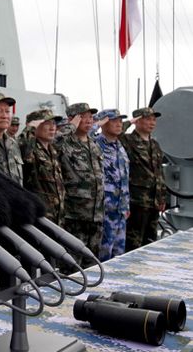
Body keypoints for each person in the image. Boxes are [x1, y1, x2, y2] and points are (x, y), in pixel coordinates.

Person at [54, 103, 104, 266]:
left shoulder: (94, 144)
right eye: (83, 117)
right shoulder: (64, 143)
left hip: (96, 214)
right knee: (72, 265)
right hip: (74, 215)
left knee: (92, 263)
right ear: (72, 119)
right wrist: (70, 127)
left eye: (90, 117)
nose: (89, 120)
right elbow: (52, 144)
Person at [119, 107, 166, 252]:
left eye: (154, 119)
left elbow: (159, 173)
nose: (152, 123)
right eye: (147, 119)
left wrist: (162, 197)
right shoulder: (128, 140)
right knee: (133, 243)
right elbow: (116, 133)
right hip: (136, 201)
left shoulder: (155, 145)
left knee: (151, 242)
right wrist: (130, 122)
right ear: (138, 121)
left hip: (153, 202)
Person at [93, 109, 130, 261]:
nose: (119, 124)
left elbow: (124, 177)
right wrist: (96, 125)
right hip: (105, 208)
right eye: (114, 121)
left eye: (120, 121)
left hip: (120, 209)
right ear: (103, 123)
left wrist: (126, 205)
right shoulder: (95, 143)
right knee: (103, 253)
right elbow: (78, 137)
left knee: (119, 253)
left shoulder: (120, 146)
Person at [17, 109, 65, 225]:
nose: (52, 127)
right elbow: (21, 145)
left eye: (54, 123)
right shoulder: (30, 149)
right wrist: (30, 128)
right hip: (40, 217)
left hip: (58, 216)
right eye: (47, 123)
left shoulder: (52, 150)